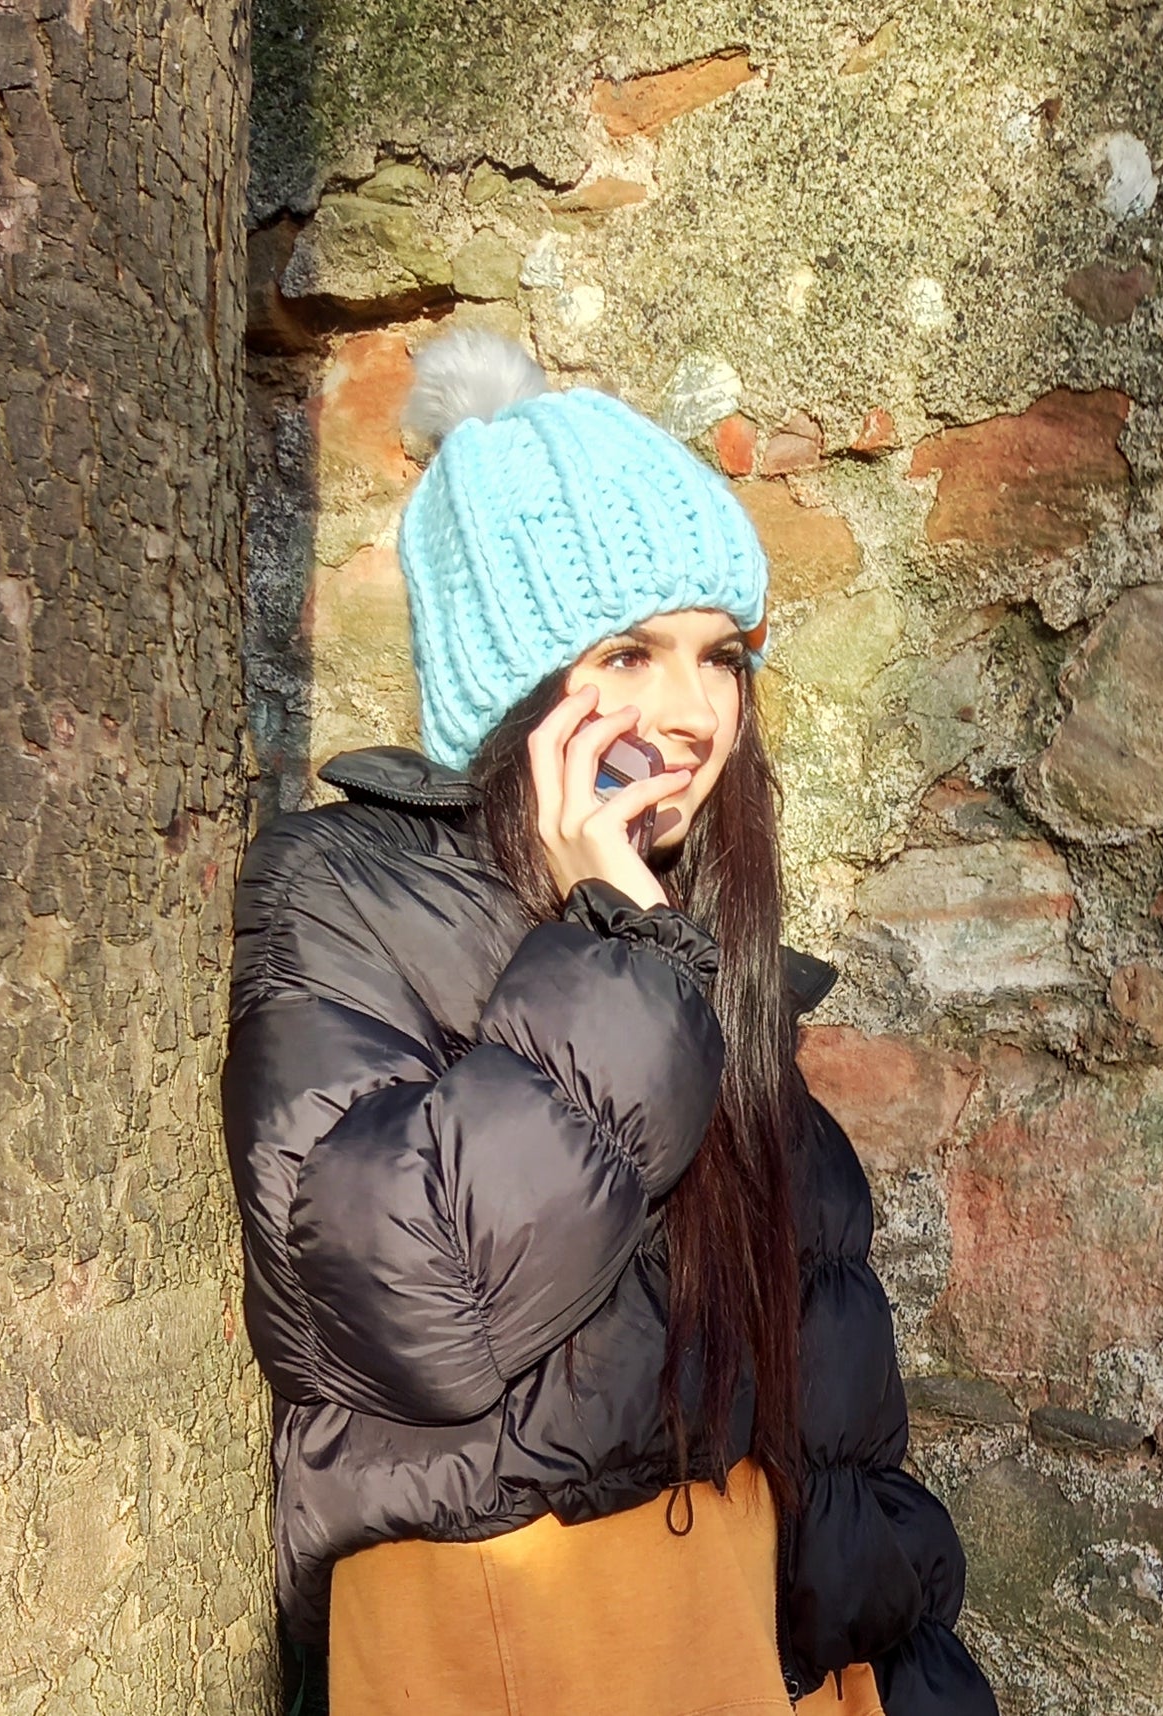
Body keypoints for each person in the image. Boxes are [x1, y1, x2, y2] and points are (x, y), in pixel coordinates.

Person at [222, 330, 997, 1716]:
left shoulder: (694, 928)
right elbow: (423, 1307)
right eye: (631, 652)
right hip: (519, 1628)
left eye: (719, 657)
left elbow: (812, 1386)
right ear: (517, 680)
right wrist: (608, 951)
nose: (693, 711)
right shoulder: (344, 885)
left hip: (754, 1619)